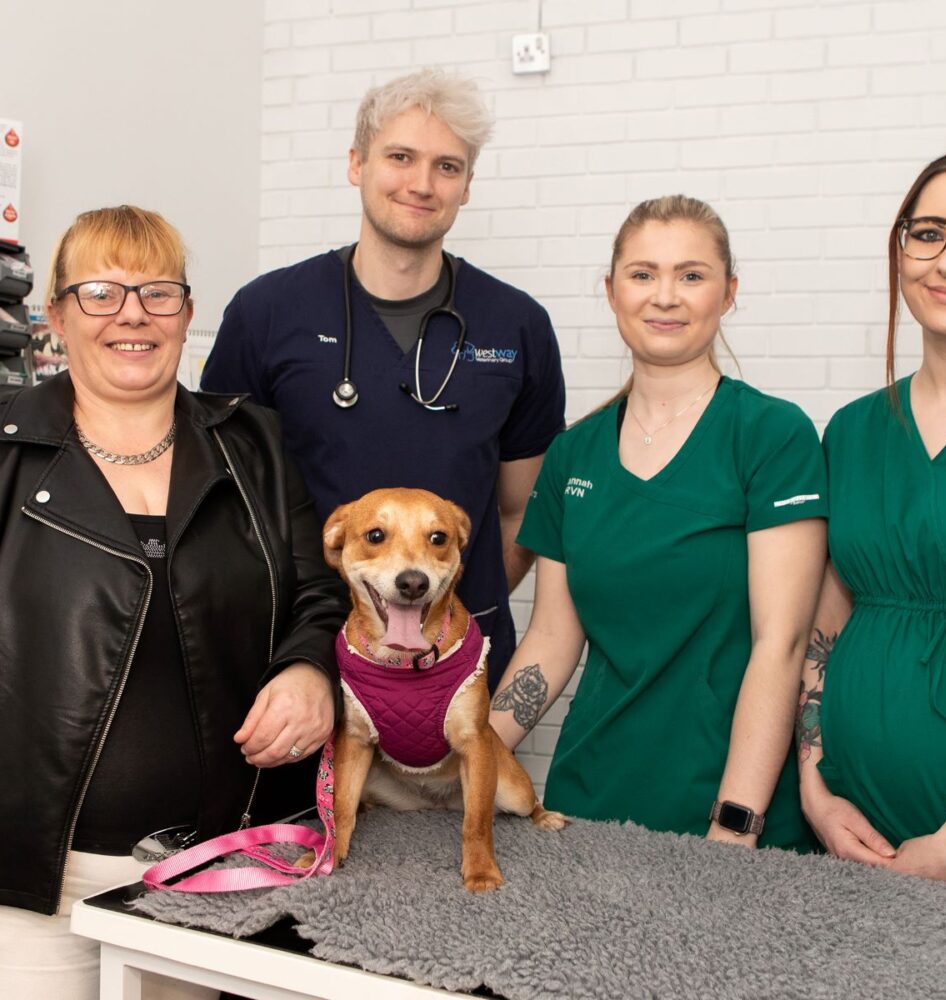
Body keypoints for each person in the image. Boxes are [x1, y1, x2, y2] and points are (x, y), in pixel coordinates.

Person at [0, 205, 348, 998]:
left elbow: (320, 594)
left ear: (187, 314)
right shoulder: (7, 450)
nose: (132, 314)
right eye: (100, 292)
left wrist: (309, 672)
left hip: (213, 868)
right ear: (56, 314)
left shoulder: (253, 443)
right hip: (35, 879)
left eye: (158, 293)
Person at [200, 68, 565, 689]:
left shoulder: (518, 325)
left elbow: (520, 512)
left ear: (467, 185)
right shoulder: (266, 313)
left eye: (447, 167)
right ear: (356, 163)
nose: (422, 184)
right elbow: (223, 503)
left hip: (457, 667)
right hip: (303, 662)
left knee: (467, 791)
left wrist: (429, 603)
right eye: (401, 157)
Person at [488, 196, 827, 849]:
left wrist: (735, 822)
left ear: (728, 293)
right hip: (588, 798)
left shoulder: (772, 436)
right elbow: (553, 638)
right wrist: (473, 756)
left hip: (727, 809)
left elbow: (780, 645)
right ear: (612, 291)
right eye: (643, 274)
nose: (665, 296)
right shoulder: (573, 454)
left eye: (692, 276)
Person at [798, 146, 946, 888]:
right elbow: (824, 623)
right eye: (929, 232)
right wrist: (816, 788)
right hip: (851, 827)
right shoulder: (851, 431)